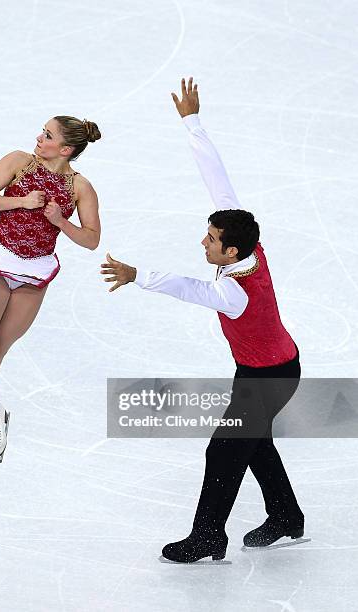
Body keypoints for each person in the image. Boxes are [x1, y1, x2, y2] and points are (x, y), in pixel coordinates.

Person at [100, 78, 304, 562]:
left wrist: (137, 275)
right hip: (265, 368)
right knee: (252, 443)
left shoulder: (234, 291)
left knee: (225, 449)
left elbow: (192, 290)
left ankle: (209, 535)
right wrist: (191, 121)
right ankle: (286, 515)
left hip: (269, 376)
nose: (204, 242)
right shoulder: (251, 247)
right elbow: (219, 183)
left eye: (210, 239)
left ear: (231, 250)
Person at [0, 116, 101, 462]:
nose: (39, 137)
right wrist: (21, 202)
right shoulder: (19, 162)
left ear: (65, 149)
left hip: (33, 274)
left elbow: (92, 240)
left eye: (48, 135)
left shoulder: (80, 188)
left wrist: (60, 222)